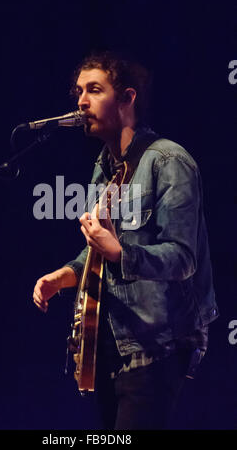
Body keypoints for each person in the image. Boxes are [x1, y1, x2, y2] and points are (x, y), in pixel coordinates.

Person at [32, 52, 219, 430]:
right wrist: (64, 275)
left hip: (158, 344)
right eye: (79, 91)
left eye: (94, 90)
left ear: (127, 98)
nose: (81, 101)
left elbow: (183, 258)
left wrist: (119, 252)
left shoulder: (168, 161)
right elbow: (100, 251)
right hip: (110, 347)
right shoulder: (104, 168)